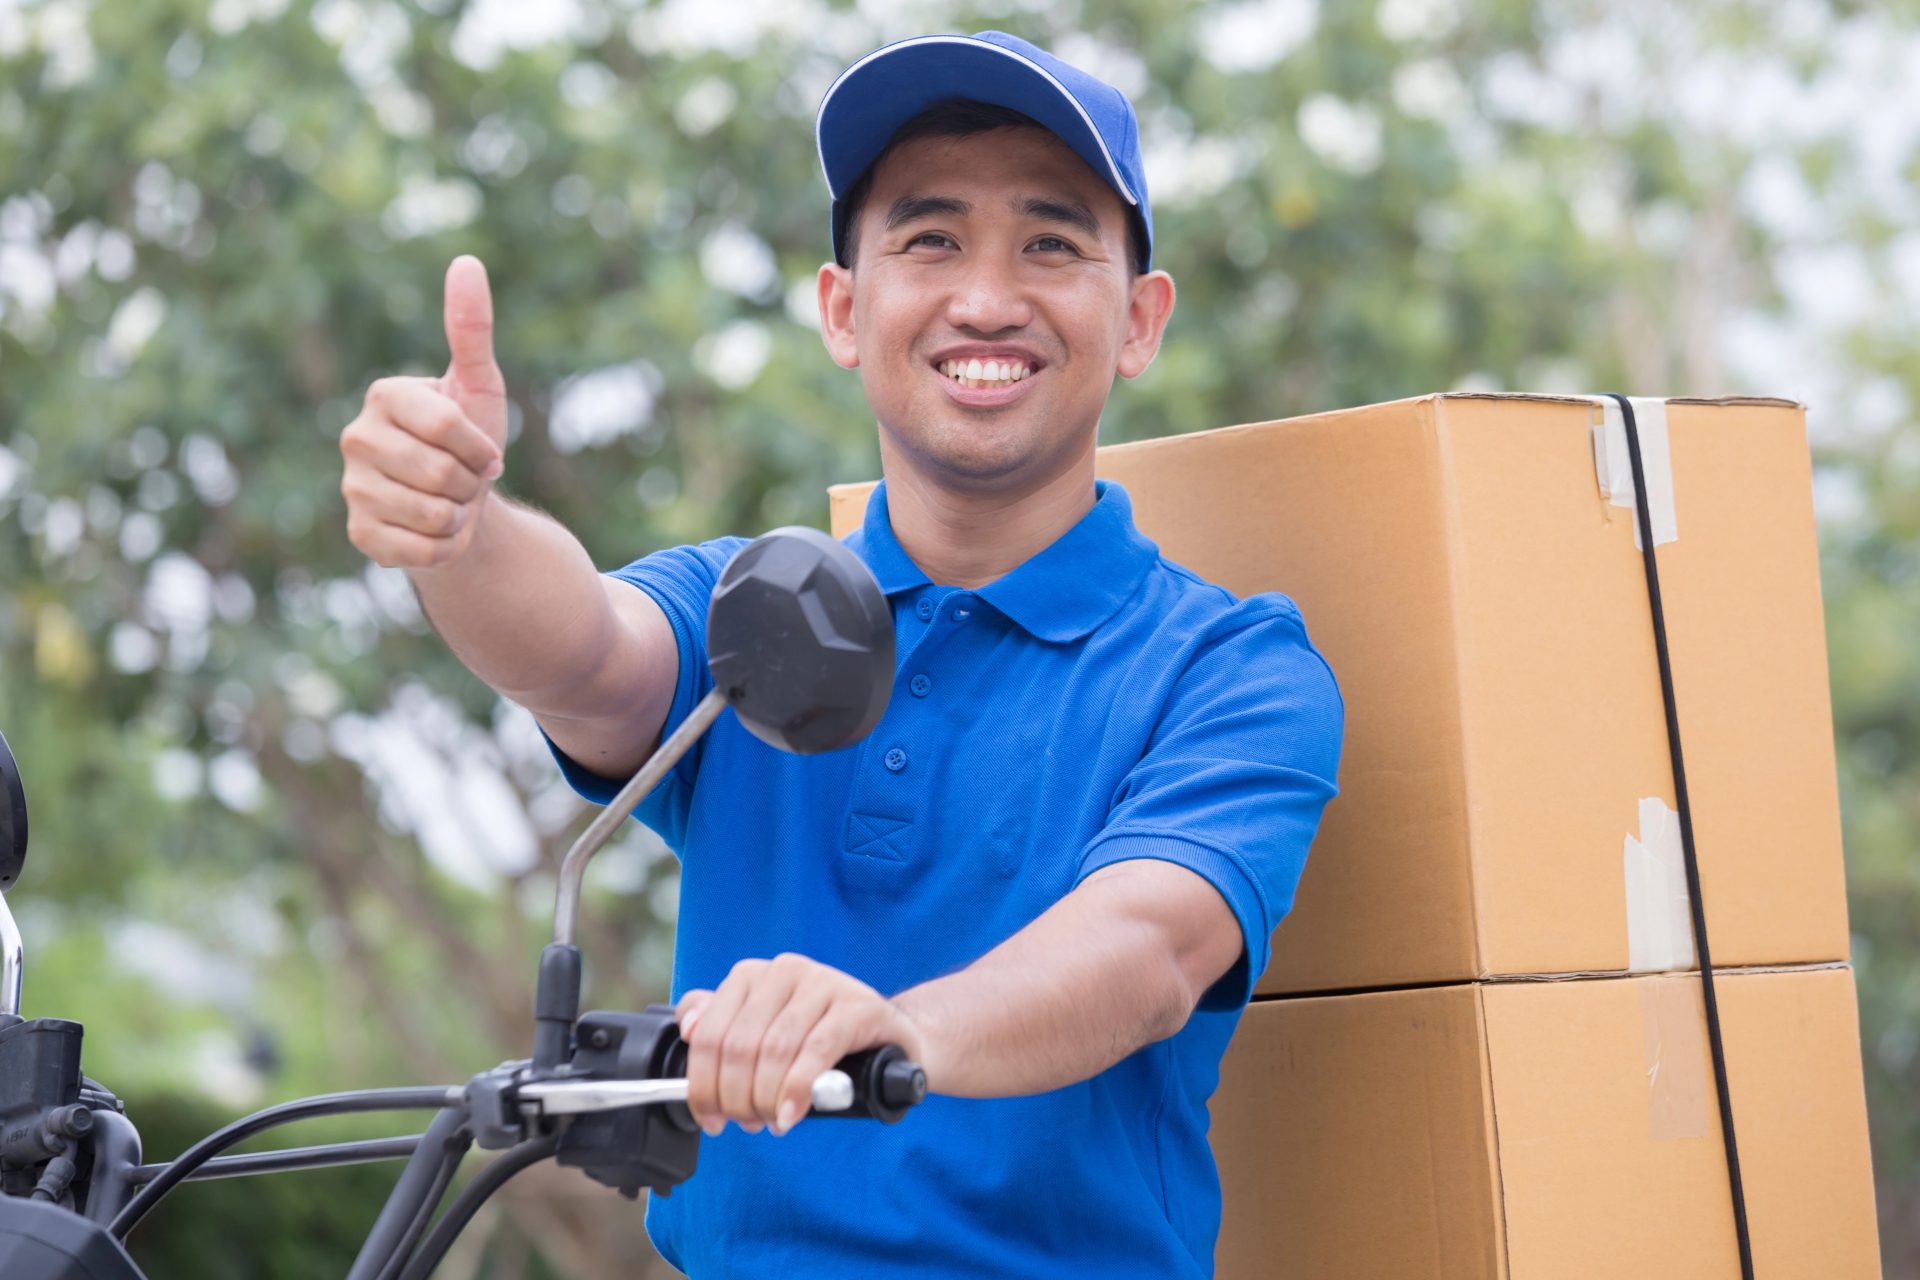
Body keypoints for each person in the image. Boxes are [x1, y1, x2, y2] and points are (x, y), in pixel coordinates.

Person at [338, 30, 1343, 1279]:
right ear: (843, 311)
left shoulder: (1233, 669)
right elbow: (586, 653)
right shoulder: (752, 602)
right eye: (930, 240)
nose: (986, 297)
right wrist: (460, 527)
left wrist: (897, 1026)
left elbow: (1146, 952)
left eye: (1050, 242)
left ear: (1138, 320)